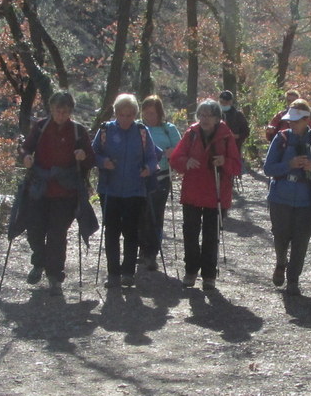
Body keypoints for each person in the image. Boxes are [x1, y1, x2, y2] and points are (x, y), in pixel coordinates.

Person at [20, 91, 95, 296]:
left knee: (57, 234)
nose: (60, 115)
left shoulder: (78, 131)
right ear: (51, 109)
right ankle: (39, 262)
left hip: (66, 191)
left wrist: (83, 155)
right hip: (39, 188)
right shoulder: (41, 127)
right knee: (34, 229)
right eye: (57, 111)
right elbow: (26, 148)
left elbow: (90, 160)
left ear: (70, 111)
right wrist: (26, 157)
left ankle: (55, 275)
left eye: (65, 111)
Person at [169, 99, 242, 291]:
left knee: (211, 236)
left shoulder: (226, 136)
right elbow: (175, 158)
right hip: (192, 192)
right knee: (190, 234)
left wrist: (224, 161)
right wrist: (186, 161)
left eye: (208, 115)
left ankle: (209, 275)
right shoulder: (191, 134)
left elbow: (236, 166)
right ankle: (191, 271)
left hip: (216, 194)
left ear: (217, 118)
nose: (204, 119)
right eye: (201, 115)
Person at [93, 94, 160, 289]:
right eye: (122, 115)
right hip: (110, 190)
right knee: (112, 232)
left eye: (130, 115)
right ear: (115, 113)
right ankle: (113, 273)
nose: (125, 119)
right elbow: (93, 152)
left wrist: (148, 168)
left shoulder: (141, 131)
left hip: (135, 190)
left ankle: (128, 272)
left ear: (135, 115)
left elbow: (153, 156)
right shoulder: (105, 130)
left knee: (131, 233)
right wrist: (103, 162)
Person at [262, 99, 311, 296]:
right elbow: (268, 168)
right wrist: (289, 164)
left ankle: (293, 280)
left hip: (307, 200)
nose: (292, 124)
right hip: (280, 198)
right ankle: (281, 262)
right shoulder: (281, 139)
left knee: (301, 242)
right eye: (290, 120)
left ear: (307, 120)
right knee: (280, 237)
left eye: (296, 121)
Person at [137, 95, 182, 272]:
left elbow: (180, 149)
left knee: (156, 214)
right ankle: (141, 249)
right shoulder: (138, 127)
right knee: (140, 214)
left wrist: (172, 152)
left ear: (160, 113)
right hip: (140, 177)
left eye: (153, 113)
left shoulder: (168, 129)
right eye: (146, 113)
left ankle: (151, 253)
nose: (149, 116)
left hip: (161, 176)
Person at [218, 90, 250, 156]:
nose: (223, 104)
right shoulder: (215, 114)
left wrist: (235, 136)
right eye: (221, 102)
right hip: (218, 150)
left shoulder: (238, 115)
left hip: (234, 150)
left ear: (231, 102)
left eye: (226, 102)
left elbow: (246, 132)